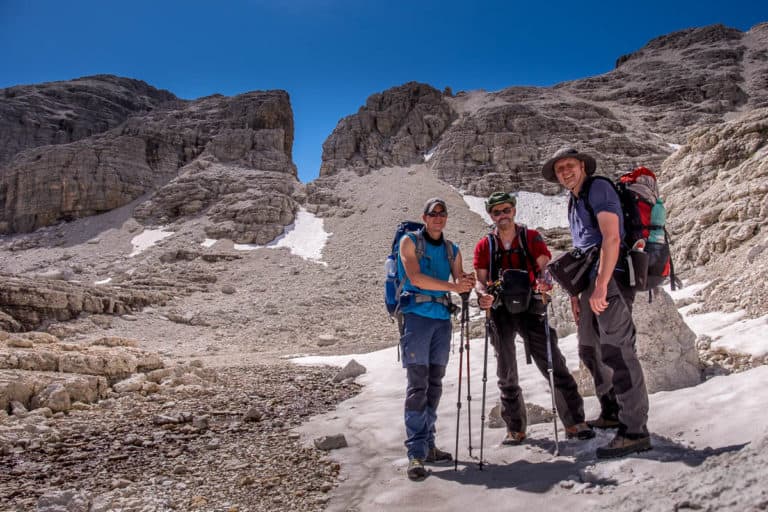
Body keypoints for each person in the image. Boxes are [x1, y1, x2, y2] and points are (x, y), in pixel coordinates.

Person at [541, 147, 652, 458]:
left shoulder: (599, 188)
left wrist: (602, 285)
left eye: (569, 165)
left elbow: (611, 238)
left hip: (611, 278)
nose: (565, 171)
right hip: (590, 284)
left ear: (583, 166)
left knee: (618, 351)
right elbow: (582, 248)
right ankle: (612, 410)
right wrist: (578, 295)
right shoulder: (574, 199)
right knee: (589, 348)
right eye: (559, 168)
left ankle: (635, 431)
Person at [473, 191, 594, 447]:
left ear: (514, 210)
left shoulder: (531, 237)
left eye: (506, 210)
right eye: (497, 212)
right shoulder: (485, 245)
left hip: (531, 307)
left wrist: (544, 284)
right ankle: (515, 428)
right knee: (506, 370)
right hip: (500, 310)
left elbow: (545, 268)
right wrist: (483, 295)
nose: (502, 215)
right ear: (491, 215)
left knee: (553, 362)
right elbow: (480, 280)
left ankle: (575, 421)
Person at [398, 197, 475, 481]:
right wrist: (453, 286)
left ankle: (428, 446)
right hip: (417, 319)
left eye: (443, 213)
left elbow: (459, 280)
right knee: (418, 387)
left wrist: (466, 283)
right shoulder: (409, 241)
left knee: (434, 385)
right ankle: (415, 453)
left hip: (441, 322)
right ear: (425, 217)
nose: (438, 218)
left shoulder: (452, 249)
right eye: (433, 213)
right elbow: (416, 278)